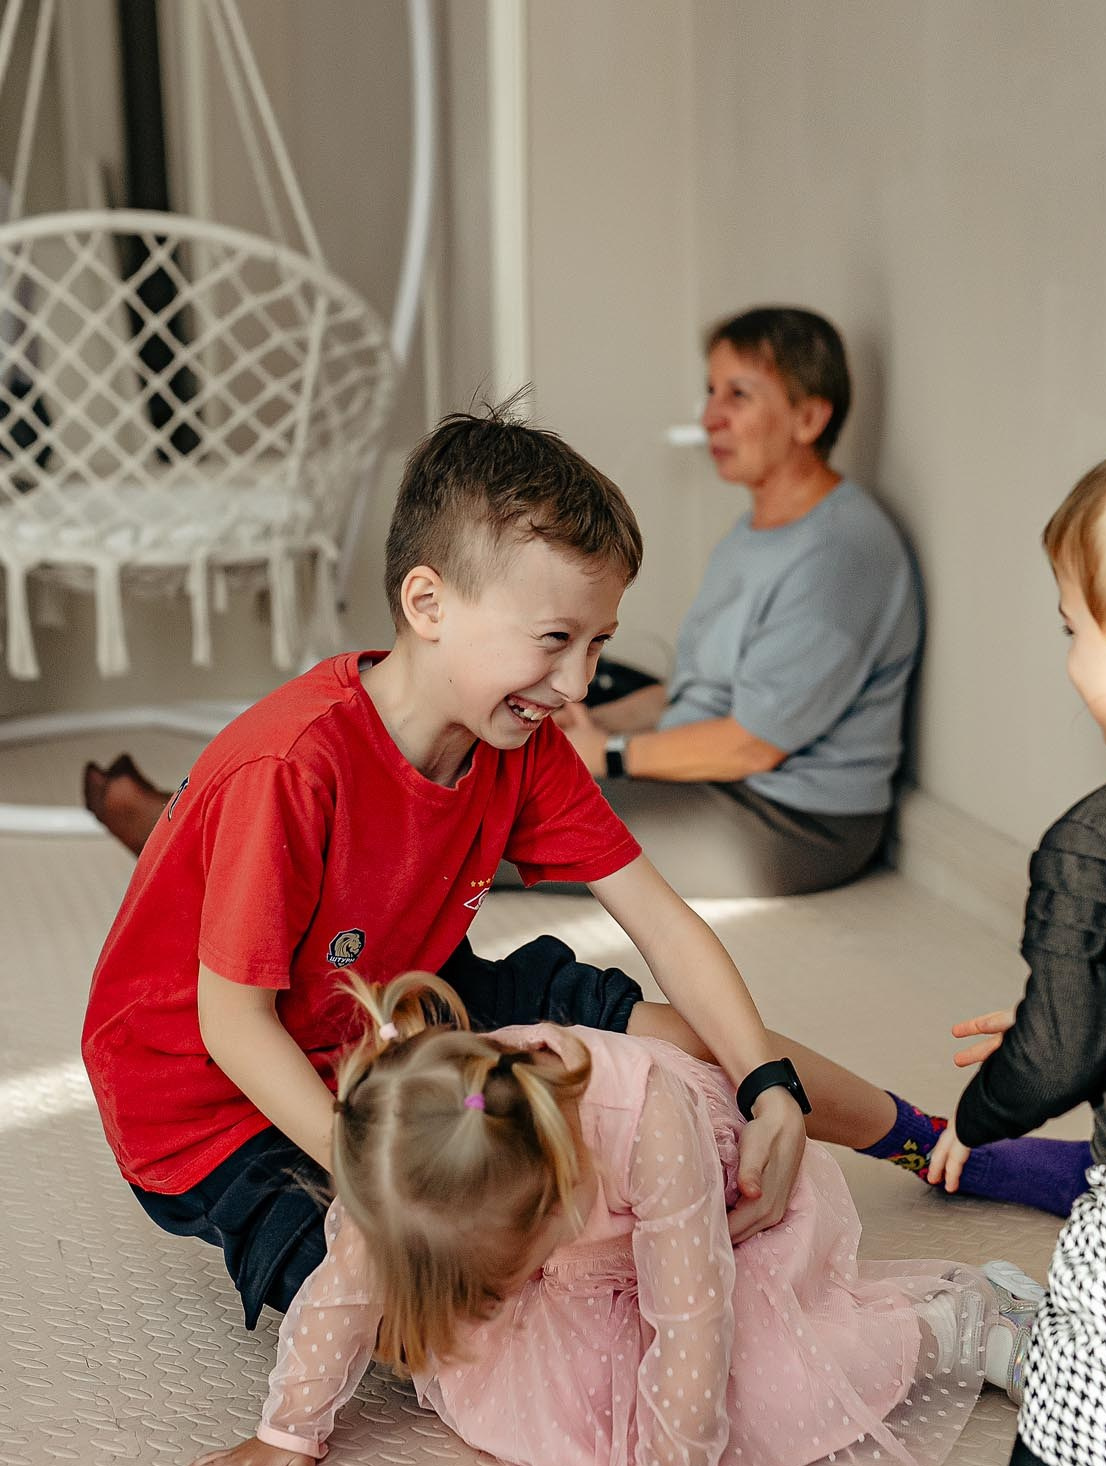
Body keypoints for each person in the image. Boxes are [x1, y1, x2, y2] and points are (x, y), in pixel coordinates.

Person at [83, 403, 823, 1343]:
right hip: (207, 1093)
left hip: (394, 987)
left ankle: (927, 1141)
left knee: (698, 1044)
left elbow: (661, 922)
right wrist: (384, 1178)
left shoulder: (519, 734)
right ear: (427, 605)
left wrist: (768, 1087)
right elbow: (232, 1024)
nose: (580, 684)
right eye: (555, 639)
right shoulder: (292, 767)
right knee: (438, 1326)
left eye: (597, 643)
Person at [180, 970, 1042, 1466]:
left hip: (722, 1231)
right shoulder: (403, 1157)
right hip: (584, 1262)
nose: (480, 1294)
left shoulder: (649, 1124)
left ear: (554, 1202)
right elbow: (343, 1288)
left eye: (490, 1273)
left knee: (775, 1395)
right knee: (545, 1413)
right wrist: (288, 1429)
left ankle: (959, 1322)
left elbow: (692, 1315)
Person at [927, 451, 1106, 1466]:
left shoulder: (1094, 844)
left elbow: (1051, 1062)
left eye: (1074, 630)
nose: (1069, 662)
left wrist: (974, 1110)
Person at [557, 305, 921, 900]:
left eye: (739, 395)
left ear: (808, 418)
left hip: (789, 823)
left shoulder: (841, 551)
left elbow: (753, 741)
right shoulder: (752, 533)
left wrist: (609, 754)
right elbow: (701, 690)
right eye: (709, 391)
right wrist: (591, 727)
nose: (710, 418)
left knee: (510, 823)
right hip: (721, 781)